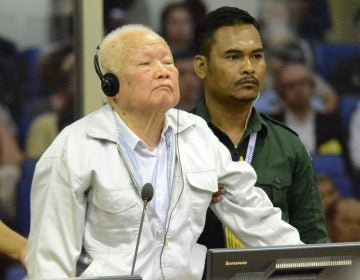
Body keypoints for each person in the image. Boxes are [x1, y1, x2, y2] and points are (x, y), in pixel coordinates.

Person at [26, 24, 303, 280]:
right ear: (111, 85)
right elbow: (50, 262)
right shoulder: (74, 149)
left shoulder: (198, 135)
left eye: (168, 62)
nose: (164, 71)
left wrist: (308, 266)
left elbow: (256, 216)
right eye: (146, 64)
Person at [191, 6, 328, 249]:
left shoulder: (288, 146)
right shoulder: (177, 141)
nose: (249, 68)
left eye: (256, 56)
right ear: (201, 67)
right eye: (233, 57)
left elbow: (313, 243)